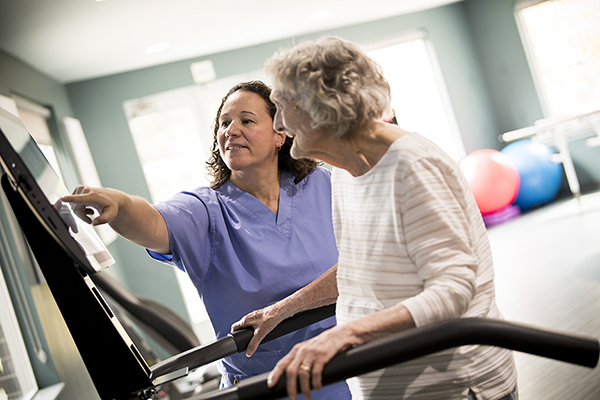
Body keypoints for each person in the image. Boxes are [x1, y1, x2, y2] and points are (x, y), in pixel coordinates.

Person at [231, 38, 518, 400]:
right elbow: (357, 268)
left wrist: (344, 334)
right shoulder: (344, 171)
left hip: (454, 386)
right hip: (389, 383)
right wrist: (281, 310)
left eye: (284, 107)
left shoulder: (413, 165)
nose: (281, 123)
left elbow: (453, 289)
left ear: (322, 106)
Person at [62, 80, 351, 399]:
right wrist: (121, 206)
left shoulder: (322, 185)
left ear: (280, 134)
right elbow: (153, 222)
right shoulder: (205, 210)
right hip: (266, 387)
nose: (231, 130)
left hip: (349, 367)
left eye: (246, 120)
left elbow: (364, 265)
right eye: (224, 122)